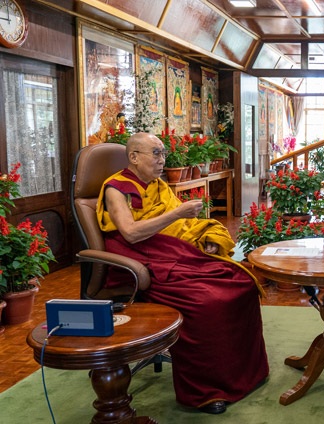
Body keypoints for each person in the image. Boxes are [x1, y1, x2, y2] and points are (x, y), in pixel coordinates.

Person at [96, 133, 269, 414]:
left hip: (169, 251)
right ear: (134, 157)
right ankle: (207, 391)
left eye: (163, 153)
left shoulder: (158, 185)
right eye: (156, 153)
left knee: (240, 282)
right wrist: (178, 214)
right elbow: (130, 233)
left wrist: (205, 237)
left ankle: (248, 374)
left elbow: (179, 227)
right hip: (140, 260)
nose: (162, 160)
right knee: (206, 302)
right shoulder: (117, 188)